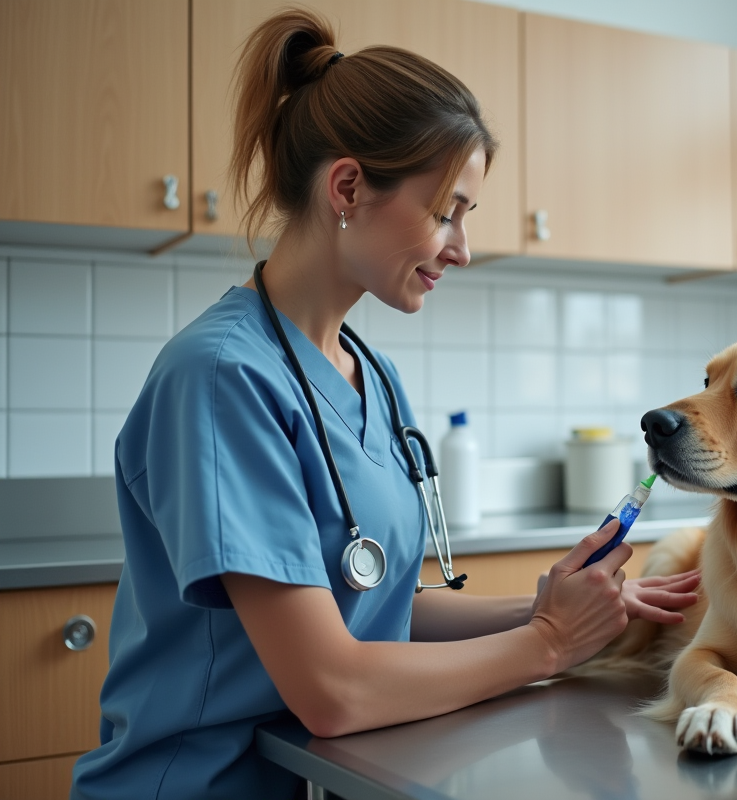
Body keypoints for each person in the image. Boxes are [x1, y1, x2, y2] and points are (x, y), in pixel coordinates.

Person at [71, 10, 699, 800]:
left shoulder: (371, 373)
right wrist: (546, 643)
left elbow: (376, 612)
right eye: (446, 213)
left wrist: (554, 609)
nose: (461, 250)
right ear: (347, 187)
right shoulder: (223, 377)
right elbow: (333, 687)